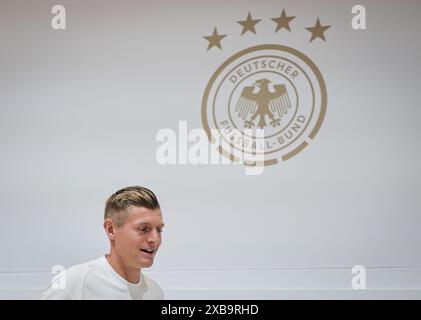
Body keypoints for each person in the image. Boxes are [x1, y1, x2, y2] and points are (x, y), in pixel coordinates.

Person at [41, 186, 165, 300]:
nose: (155, 239)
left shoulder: (155, 293)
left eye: (159, 230)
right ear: (111, 229)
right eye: (144, 229)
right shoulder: (72, 285)